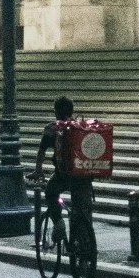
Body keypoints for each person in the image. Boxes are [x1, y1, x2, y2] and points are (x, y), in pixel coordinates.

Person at [34, 94, 92, 246]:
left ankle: (59, 222)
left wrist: (38, 171)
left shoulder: (51, 129)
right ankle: (87, 248)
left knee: (50, 193)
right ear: (72, 112)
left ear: (55, 112)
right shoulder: (82, 128)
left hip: (63, 175)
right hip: (84, 176)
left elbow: (41, 152)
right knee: (83, 212)